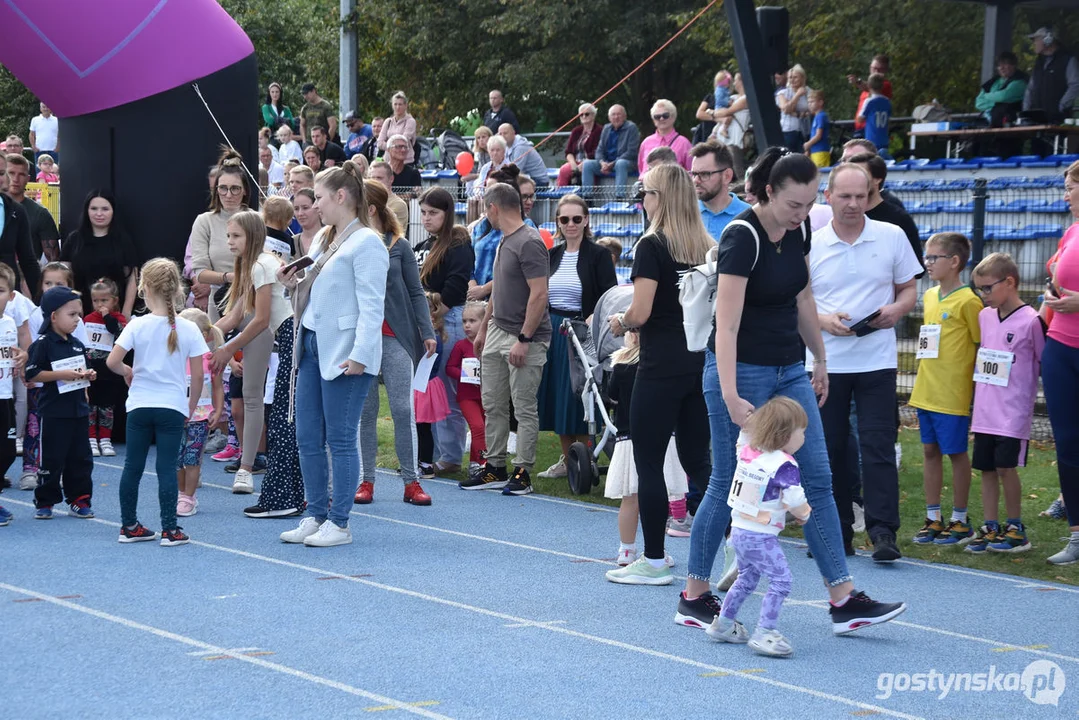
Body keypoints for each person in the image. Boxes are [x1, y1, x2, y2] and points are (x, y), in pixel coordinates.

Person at [676, 148, 906, 634]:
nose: (802, 215)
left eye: (807, 205)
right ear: (768, 194)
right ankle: (694, 595)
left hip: (788, 369)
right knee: (726, 482)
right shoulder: (742, 237)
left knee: (818, 478)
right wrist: (733, 394)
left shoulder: (798, 230)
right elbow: (727, 326)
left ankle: (842, 598)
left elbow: (804, 296)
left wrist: (820, 359)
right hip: (741, 372)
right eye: (793, 206)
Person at [602, 164, 712, 586]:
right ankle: (736, 543)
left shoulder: (652, 244)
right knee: (698, 462)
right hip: (697, 362)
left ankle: (653, 558)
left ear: (659, 198)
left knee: (648, 462)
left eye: (644, 193)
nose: (640, 199)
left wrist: (620, 322)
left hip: (660, 364)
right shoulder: (706, 244)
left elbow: (642, 311)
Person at [811, 164, 920, 562]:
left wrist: (896, 310)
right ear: (829, 196)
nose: (854, 204)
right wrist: (822, 321)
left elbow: (909, 288)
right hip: (826, 363)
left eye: (861, 196)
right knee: (830, 449)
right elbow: (796, 301)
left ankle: (883, 532)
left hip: (877, 360)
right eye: (845, 196)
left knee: (878, 445)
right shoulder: (811, 242)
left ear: (871, 194)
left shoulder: (891, 236)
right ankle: (836, 531)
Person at [278, 161, 388, 548]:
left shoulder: (369, 243)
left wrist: (361, 354)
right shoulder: (326, 238)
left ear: (341, 197)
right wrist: (291, 283)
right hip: (310, 343)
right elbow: (315, 289)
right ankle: (316, 514)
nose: (313, 205)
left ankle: (339, 522)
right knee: (307, 436)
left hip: (344, 353)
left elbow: (373, 306)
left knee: (340, 439)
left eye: (319, 197)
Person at [107, 259, 208, 545]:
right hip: (172, 407)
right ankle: (170, 529)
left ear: (144, 288)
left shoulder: (137, 324)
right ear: (177, 289)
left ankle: (129, 525)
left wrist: (128, 371)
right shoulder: (189, 328)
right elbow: (198, 376)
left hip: (139, 405)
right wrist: (190, 407)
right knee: (166, 467)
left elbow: (113, 361)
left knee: (133, 466)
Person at [459, 182, 550, 495]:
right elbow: (498, 289)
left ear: (493, 208)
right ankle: (494, 466)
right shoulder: (504, 240)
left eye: (486, 208)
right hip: (497, 330)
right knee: (493, 403)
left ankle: (523, 471)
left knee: (523, 407)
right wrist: (484, 328)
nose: (486, 215)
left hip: (525, 335)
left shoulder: (530, 242)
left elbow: (539, 295)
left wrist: (524, 339)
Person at [706, 397, 811, 657]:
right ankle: (765, 632)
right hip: (761, 536)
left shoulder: (749, 451)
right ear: (786, 434)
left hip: (739, 531)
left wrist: (747, 425)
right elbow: (795, 498)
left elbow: (742, 438)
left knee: (747, 578)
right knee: (781, 581)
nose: (804, 437)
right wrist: (804, 514)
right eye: (802, 431)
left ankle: (724, 623)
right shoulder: (784, 464)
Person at [356, 179, 435, 506]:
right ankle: (366, 481)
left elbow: (416, 292)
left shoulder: (399, 245)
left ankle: (411, 481)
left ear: (370, 207)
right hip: (362, 341)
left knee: (403, 409)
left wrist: (427, 331)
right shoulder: (351, 244)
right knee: (367, 412)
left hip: (396, 338)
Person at [963, 253, 1043, 554]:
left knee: (1006, 468)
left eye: (987, 288)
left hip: (1013, 412)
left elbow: (1042, 360)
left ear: (1009, 282)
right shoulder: (985, 317)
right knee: (986, 468)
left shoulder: (1032, 321)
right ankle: (991, 525)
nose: (983, 296)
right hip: (985, 411)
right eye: (979, 289)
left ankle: (1015, 527)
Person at [210, 211, 291, 495]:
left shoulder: (262, 265)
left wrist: (228, 348)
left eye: (236, 236)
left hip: (287, 336)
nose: (230, 242)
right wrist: (203, 333)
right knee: (253, 396)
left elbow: (261, 319)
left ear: (253, 236)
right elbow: (234, 315)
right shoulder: (253, 265)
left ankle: (253, 468)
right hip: (276, 334)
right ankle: (249, 465)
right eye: (228, 236)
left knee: (272, 403)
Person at [908, 232, 982, 546]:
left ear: (954, 261)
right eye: (926, 257)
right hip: (926, 388)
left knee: (956, 453)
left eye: (933, 258)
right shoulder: (929, 296)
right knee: (929, 451)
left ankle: (961, 520)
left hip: (953, 392)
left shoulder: (970, 301)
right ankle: (933, 517)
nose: (927, 263)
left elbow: (981, 346)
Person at [537, 195, 617, 479]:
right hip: (554, 332)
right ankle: (568, 458)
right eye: (564, 219)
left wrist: (592, 318)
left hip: (582, 333)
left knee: (579, 397)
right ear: (558, 222)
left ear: (586, 221)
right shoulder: (553, 255)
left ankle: (584, 460)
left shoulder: (598, 255)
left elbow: (610, 294)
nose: (570, 224)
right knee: (557, 395)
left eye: (576, 219)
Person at [603, 329, 688, 566]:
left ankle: (626, 550)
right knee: (658, 494)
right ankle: (656, 549)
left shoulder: (621, 366)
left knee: (630, 498)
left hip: (628, 437)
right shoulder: (666, 364)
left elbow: (613, 397)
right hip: (661, 436)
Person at [413, 187, 474, 475]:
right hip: (427, 320)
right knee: (428, 389)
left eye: (433, 213)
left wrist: (436, 315)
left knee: (448, 391)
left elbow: (456, 285)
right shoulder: (423, 245)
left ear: (447, 214)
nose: (426, 218)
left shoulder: (458, 243)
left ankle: (450, 456)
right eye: (423, 212)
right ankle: (434, 453)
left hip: (448, 320)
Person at [28, 284, 94, 521]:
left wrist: (87, 376)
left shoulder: (77, 343)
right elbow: (32, 373)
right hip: (54, 412)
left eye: (79, 314)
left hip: (78, 410)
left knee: (81, 457)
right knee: (52, 458)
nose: (78, 319)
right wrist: (60, 375)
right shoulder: (43, 343)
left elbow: (80, 371)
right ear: (54, 316)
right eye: (72, 314)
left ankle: (79, 498)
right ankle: (45, 500)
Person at [1042, 160, 1079, 564]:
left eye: (1070, 186)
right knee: (1068, 445)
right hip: (1061, 348)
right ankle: (1076, 536)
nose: (1065, 193)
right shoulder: (1071, 232)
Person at [189, 150, 250, 322]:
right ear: (216, 190)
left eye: (235, 189)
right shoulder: (204, 221)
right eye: (223, 188)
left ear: (245, 190)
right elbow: (200, 272)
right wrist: (229, 277)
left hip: (253, 299)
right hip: (219, 301)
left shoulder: (257, 220)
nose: (228, 195)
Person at [175, 308, 225, 518]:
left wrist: (218, 410)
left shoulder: (209, 359)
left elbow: (218, 387)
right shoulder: (174, 357)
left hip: (200, 417)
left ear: (204, 336)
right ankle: (180, 493)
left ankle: (189, 497)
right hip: (177, 415)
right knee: (176, 459)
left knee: (192, 458)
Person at [61, 190, 137, 317]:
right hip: (80, 313)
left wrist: (126, 311)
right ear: (87, 211)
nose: (99, 214)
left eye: (105, 209)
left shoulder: (123, 240)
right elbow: (64, 277)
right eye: (94, 208)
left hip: (114, 315)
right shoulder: (74, 239)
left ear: (113, 211)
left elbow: (132, 278)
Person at [844, 153, 923, 272]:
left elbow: (916, 269)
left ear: (877, 179)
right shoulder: (842, 215)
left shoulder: (899, 219)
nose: (854, 181)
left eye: (860, 175)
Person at [83, 277, 128, 457]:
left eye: (104, 300)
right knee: (91, 408)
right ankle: (91, 439)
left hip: (110, 373)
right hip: (92, 371)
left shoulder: (119, 319)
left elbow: (116, 332)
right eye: (95, 300)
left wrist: (107, 316)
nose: (99, 304)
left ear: (114, 301)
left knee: (107, 408)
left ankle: (106, 440)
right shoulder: (87, 319)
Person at [446, 301, 487, 474]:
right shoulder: (461, 346)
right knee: (477, 427)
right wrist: (465, 374)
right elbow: (449, 368)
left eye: (472, 321)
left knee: (487, 429)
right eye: (464, 321)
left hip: (487, 395)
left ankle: (475, 463)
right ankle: (482, 463)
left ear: (484, 322)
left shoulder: (489, 344)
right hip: (467, 396)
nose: (467, 325)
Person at [0, 265, 26, 523]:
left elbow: (13, 350)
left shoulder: (9, 323)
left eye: (0, 290)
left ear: (10, 296)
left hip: (5, 396)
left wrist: (23, 355)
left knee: (7, 451)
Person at [415, 293, 451, 479]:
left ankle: (426, 464)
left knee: (423, 428)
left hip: (424, 386)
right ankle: (418, 461)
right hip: (422, 385)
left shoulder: (431, 336)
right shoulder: (428, 333)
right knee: (418, 427)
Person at [690, 140, 751, 242]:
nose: (696, 180)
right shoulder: (686, 214)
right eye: (694, 174)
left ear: (727, 176)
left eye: (704, 174)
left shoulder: (749, 216)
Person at [6, 153, 59, 266]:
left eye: (21, 174)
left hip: (27, 278)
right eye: (11, 173)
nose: (15, 179)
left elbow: (53, 262)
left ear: (28, 178)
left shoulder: (40, 213)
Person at [0, 154, 42, 295]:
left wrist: (41, 301)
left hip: (9, 297)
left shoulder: (16, 210)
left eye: (1, 173)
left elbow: (28, 260)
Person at [1022, 27, 1079, 125]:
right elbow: (1030, 89)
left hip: (1058, 120)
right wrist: (1026, 112)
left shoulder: (1067, 60)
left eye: (1036, 40)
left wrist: (1061, 106)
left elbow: (1075, 85)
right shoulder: (1039, 63)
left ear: (1048, 40)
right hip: (1037, 120)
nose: (1034, 43)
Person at [581, 105, 640, 197]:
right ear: (609, 117)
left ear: (625, 116)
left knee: (620, 163)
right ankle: (587, 198)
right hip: (607, 163)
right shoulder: (606, 128)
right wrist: (602, 162)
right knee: (587, 164)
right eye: (613, 115)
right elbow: (599, 150)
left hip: (626, 162)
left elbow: (631, 152)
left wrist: (613, 163)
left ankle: (619, 198)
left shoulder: (631, 128)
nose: (616, 117)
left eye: (619, 114)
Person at [637, 100, 692, 175]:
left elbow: (691, 172)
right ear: (653, 120)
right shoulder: (646, 142)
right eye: (657, 117)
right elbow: (641, 168)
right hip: (648, 185)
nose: (661, 119)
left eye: (665, 115)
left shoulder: (684, 143)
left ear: (673, 117)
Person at [976, 52, 1028, 128]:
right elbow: (978, 103)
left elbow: (1004, 96)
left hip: (1012, 125)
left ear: (1014, 65)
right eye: (999, 65)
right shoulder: (993, 82)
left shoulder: (1020, 81)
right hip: (991, 124)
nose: (1001, 67)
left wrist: (986, 96)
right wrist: (997, 102)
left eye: (1005, 64)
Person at [557, 104, 602, 187]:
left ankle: (587, 197)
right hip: (576, 161)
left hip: (590, 161)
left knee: (587, 169)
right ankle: (562, 196)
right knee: (564, 170)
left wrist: (583, 164)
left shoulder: (600, 131)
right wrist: (573, 164)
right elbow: (569, 152)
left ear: (593, 115)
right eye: (581, 114)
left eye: (587, 114)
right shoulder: (576, 131)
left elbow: (597, 152)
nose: (584, 116)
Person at [849, 55, 893, 135]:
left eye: (879, 70)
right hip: (860, 128)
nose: (876, 72)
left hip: (872, 129)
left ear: (885, 70)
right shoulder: (868, 87)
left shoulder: (885, 85)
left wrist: (857, 81)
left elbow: (871, 87)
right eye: (873, 68)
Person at [376, 91, 418, 164]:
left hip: (405, 162)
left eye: (400, 104)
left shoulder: (410, 121)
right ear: (392, 105)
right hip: (388, 161)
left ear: (405, 106)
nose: (397, 107)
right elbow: (379, 143)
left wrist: (389, 146)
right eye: (395, 104)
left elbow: (404, 142)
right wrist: (394, 147)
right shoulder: (388, 121)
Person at [367, 161, 410, 232]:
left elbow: (384, 231)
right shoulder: (365, 201)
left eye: (379, 178)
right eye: (372, 178)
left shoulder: (399, 204)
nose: (374, 181)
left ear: (391, 179)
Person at [856, 74, 892, 157]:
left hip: (871, 139)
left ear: (868, 86)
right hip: (884, 139)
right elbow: (888, 120)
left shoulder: (869, 101)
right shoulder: (887, 102)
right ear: (882, 86)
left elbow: (860, 119)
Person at [776, 65, 810, 150]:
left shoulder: (808, 91)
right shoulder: (782, 93)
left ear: (802, 78)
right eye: (790, 77)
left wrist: (794, 111)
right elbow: (786, 109)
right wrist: (797, 95)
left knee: (803, 158)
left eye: (795, 77)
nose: (792, 80)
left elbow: (813, 109)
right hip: (788, 131)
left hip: (805, 131)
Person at [695, 70, 734, 141]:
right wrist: (716, 118)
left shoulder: (731, 99)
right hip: (707, 133)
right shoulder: (710, 97)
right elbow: (699, 114)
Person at [292, 188, 321, 257]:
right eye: (296, 209)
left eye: (305, 208)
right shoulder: (291, 242)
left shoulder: (331, 237)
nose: (300, 213)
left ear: (317, 207)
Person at [804, 91, 831, 168]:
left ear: (820, 102)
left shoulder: (821, 116)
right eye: (808, 102)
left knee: (820, 173)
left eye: (812, 102)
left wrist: (808, 144)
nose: (809, 104)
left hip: (821, 151)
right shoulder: (816, 117)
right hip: (815, 151)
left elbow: (818, 135)